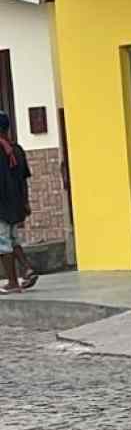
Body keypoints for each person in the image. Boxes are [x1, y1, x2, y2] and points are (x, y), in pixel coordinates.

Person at [0, 111, 36, 295]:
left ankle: (13, 282)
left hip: (2, 206)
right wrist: (25, 202)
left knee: (3, 243)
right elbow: (24, 179)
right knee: (13, 240)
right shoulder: (17, 150)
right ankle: (27, 268)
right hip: (15, 205)